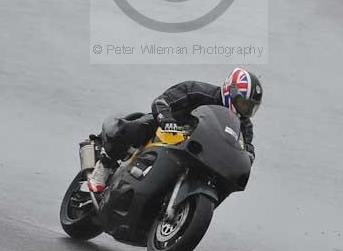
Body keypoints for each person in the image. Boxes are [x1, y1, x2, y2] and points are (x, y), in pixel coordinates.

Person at [87, 68, 263, 193]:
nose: (245, 110)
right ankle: (105, 164)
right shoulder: (199, 91)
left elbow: (247, 149)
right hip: (168, 130)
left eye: (250, 107)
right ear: (229, 91)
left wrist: (247, 159)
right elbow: (162, 101)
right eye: (243, 103)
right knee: (139, 128)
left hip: (199, 151)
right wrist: (166, 120)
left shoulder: (244, 125)